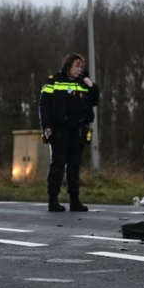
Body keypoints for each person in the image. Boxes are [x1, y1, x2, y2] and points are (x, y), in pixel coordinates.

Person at [39, 53, 100, 212]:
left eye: (81, 67)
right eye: (77, 66)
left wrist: (92, 87)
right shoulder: (54, 81)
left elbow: (95, 101)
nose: (80, 69)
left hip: (77, 130)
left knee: (74, 167)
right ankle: (53, 200)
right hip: (60, 129)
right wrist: (46, 126)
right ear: (68, 66)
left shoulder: (83, 83)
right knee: (58, 165)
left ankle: (75, 200)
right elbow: (44, 105)